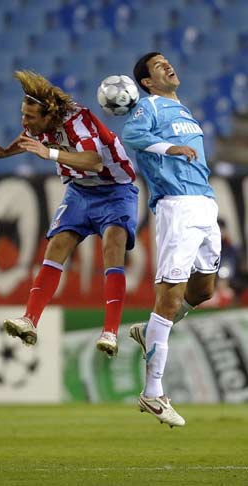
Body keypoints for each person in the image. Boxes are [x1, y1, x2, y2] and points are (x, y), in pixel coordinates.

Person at [0, 70, 138, 358]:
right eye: (23, 115)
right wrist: (5, 152)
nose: (24, 122)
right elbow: (28, 136)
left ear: (49, 115)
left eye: (30, 117)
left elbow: (95, 161)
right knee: (57, 244)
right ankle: (30, 320)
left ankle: (110, 331)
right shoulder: (42, 125)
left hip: (115, 191)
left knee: (113, 246)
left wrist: (48, 154)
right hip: (80, 191)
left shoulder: (79, 122)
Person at [122, 52, 221, 427]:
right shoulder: (149, 107)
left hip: (205, 204)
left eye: (167, 61)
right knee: (171, 295)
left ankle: (149, 332)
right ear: (147, 81)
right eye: (157, 65)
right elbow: (132, 135)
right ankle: (152, 392)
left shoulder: (183, 110)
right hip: (177, 206)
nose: (167, 65)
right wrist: (171, 148)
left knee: (204, 290)